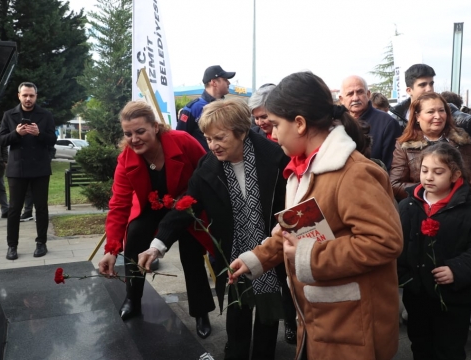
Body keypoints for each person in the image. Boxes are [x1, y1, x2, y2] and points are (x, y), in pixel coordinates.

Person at [227, 72, 403, 360]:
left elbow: (385, 242)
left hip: (353, 324)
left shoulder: (353, 173)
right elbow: (294, 229)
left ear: (299, 123)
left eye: (274, 125)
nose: (270, 134)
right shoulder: (303, 168)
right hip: (323, 316)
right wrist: (257, 258)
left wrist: (310, 257)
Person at [138, 98, 290, 359]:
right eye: (208, 139)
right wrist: (157, 245)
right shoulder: (208, 167)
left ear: (241, 132)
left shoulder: (275, 157)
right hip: (233, 258)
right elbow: (186, 208)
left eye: (219, 138)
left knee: (267, 322)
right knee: (237, 322)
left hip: (270, 257)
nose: (212, 146)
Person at [97, 101, 215, 334]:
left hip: (186, 208)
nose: (134, 138)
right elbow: (119, 205)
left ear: (156, 127)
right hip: (151, 210)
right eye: (128, 133)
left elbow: (209, 171)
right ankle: (133, 297)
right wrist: (111, 249)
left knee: (192, 254)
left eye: (140, 131)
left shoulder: (183, 142)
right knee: (135, 234)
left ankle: (201, 312)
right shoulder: (126, 160)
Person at [397, 142, 471, 360]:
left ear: (455, 175)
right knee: (420, 342)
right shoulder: (408, 206)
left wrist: (457, 269)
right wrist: (404, 277)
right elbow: (398, 244)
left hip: (454, 297)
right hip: (417, 294)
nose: (429, 177)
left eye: (438, 172)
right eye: (424, 170)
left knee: (450, 347)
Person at [247, 83, 298, 345]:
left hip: (289, 213)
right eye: (257, 117)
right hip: (270, 219)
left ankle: (292, 322)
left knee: (288, 275)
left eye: (267, 117)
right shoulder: (253, 141)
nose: (262, 122)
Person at [389, 92, 471, 201]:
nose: (438, 116)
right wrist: (432, 191)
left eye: (441, 110)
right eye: (431, 112)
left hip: (461, 205)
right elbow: (395, 184)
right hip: (422, 208)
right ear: (417, 116)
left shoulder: (461, 138)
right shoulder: (405, 145)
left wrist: (462, 189)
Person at [0, 82, 57, 260]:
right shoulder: (9, 115)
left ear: (36, 96)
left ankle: (41, 243)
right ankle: (12, 246)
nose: (28, 99)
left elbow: (52, 140)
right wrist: (17, 133)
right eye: (25, 95)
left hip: (40, 168)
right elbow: (1, 140)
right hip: (17, 169)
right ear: (19, 96)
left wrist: (39, 133)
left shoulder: (45, 115)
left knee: (41, 207)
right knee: (14, 209)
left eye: (31, 95)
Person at [340, 75, 401, 170]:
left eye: (360, 92)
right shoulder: (336, 125)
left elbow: (393, 169)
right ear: (341, 99)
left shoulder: (387, 123)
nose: (355, 98)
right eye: (350, 94)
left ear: (368, 95)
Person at [178, 65, 235, 150]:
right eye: (225, 79)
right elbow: (180, 140)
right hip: (202, 161)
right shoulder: (193, 109)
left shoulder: (228, 107)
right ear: (214, 82)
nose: (229, 83)